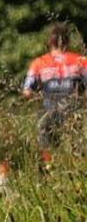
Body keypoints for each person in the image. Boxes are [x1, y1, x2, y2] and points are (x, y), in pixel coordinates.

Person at [21, 22, 85, 160]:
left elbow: (26, 91)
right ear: (67, 40)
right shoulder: (81, 60)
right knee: (76, 151)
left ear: (50, 41)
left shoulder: (38, 62)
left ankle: (50, 171)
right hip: (73, 113)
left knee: (47, 149)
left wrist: (39, 97)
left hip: (47, 111)